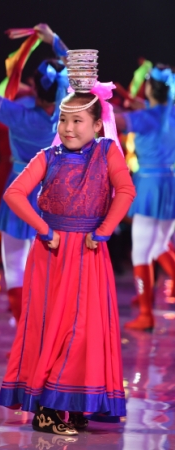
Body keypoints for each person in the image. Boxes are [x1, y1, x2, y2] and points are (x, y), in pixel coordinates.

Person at [0, 81, 136, 434]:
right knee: (53, 328)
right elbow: (14, 193)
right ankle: (47, 409)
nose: (68, 128)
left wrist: (103, 230)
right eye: (63, 120)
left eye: (77, 121)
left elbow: (125, 190)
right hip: (52, 254)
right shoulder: (48, 156)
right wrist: (44, 230)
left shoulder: (107, 151)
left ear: (97, 124)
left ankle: (71, 404)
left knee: (84, 330)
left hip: (90, 251)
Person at [0, 24, 69, 323]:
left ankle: (24, 328)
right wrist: (54, 40)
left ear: (34, 86)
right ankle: (49, 325)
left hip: (21, 189)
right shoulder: (68, 114)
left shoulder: (17, 112)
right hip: (56, 193)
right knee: (50, 265)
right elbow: (81, 73)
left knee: (16, 264)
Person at [116, 65, 175, 331]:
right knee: (160, 246)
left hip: (150, 185)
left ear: (150, 88)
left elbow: (117, 121)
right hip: (170, 184)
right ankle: (146, 305)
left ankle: (145, 314)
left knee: (141, 253)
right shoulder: (169, 113)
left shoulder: (146, 118)